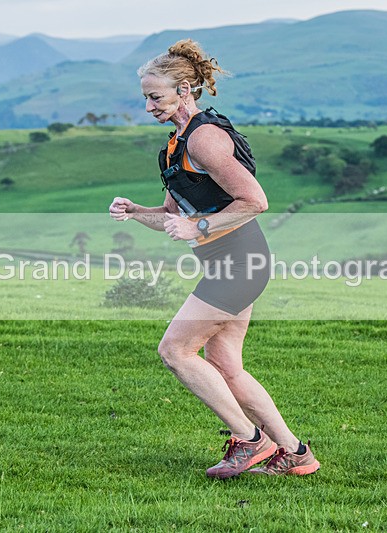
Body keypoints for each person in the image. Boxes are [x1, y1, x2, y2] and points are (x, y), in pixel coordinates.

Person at [108, 39, 319, 478]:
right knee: (226, 366)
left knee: (175, 350)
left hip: (240, 263)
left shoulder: (204, 138)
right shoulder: (176, 145)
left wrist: (199, 228)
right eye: (145, 98)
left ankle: (249, 439)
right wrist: (136, 212)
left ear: (184, 90)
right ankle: (295, 453)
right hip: (230, 264)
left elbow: (255, 201)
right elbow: (173, 217)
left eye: (155, 97)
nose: (148, 107)